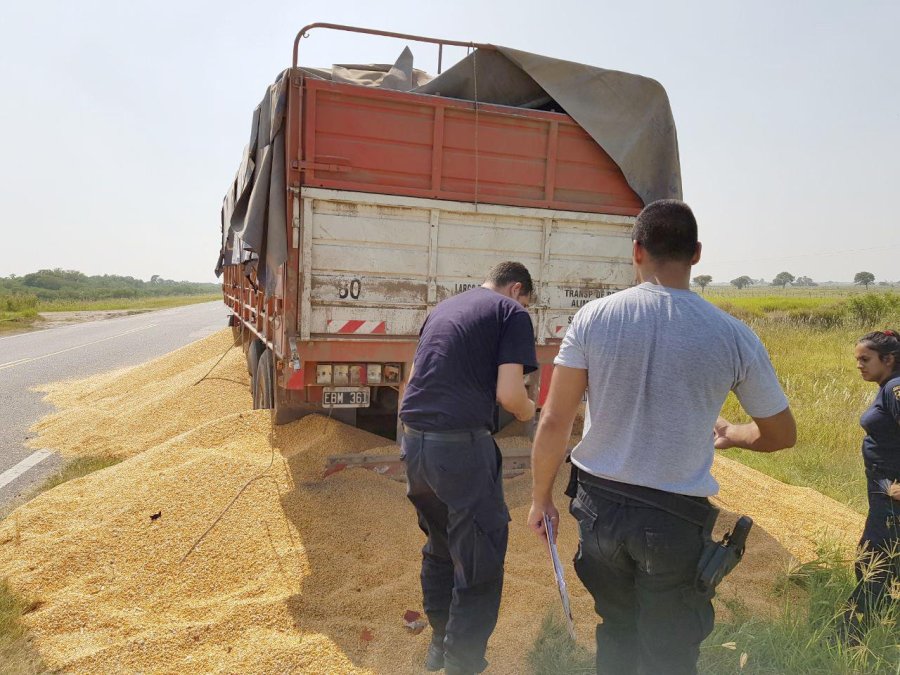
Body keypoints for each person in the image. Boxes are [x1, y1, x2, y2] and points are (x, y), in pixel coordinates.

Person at [526, 199, 796, 675]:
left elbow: (553, 420)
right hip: (674, 517)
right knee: (669, 649)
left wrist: (540, 497)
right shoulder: (732, 336)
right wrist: (733, 433)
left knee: (616, 627)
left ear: (636, 252)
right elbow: (780, 434)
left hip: (599, 507)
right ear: (696, 254)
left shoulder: (594, 318)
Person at [400, 261, 538, 675]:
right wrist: (532, 410)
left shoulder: (444, 308)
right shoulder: (511, 312)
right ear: (516, 289)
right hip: (459, 450)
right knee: (480, 561)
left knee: (440, 549)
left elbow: (414, 378)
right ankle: (462, 664)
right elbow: (511, 395)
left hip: (415, 445)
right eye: (527, 300)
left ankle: (439, 647)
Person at [844, 329, 900, 634]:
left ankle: (851, 633)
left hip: (891, 494)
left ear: (888, 359)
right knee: (886, 560)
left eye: (865, 359)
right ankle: (886, 623)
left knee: (872, 561)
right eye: (857, 359)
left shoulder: (895, 388)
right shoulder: (889, 386)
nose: (859, 365)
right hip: (882, 490)